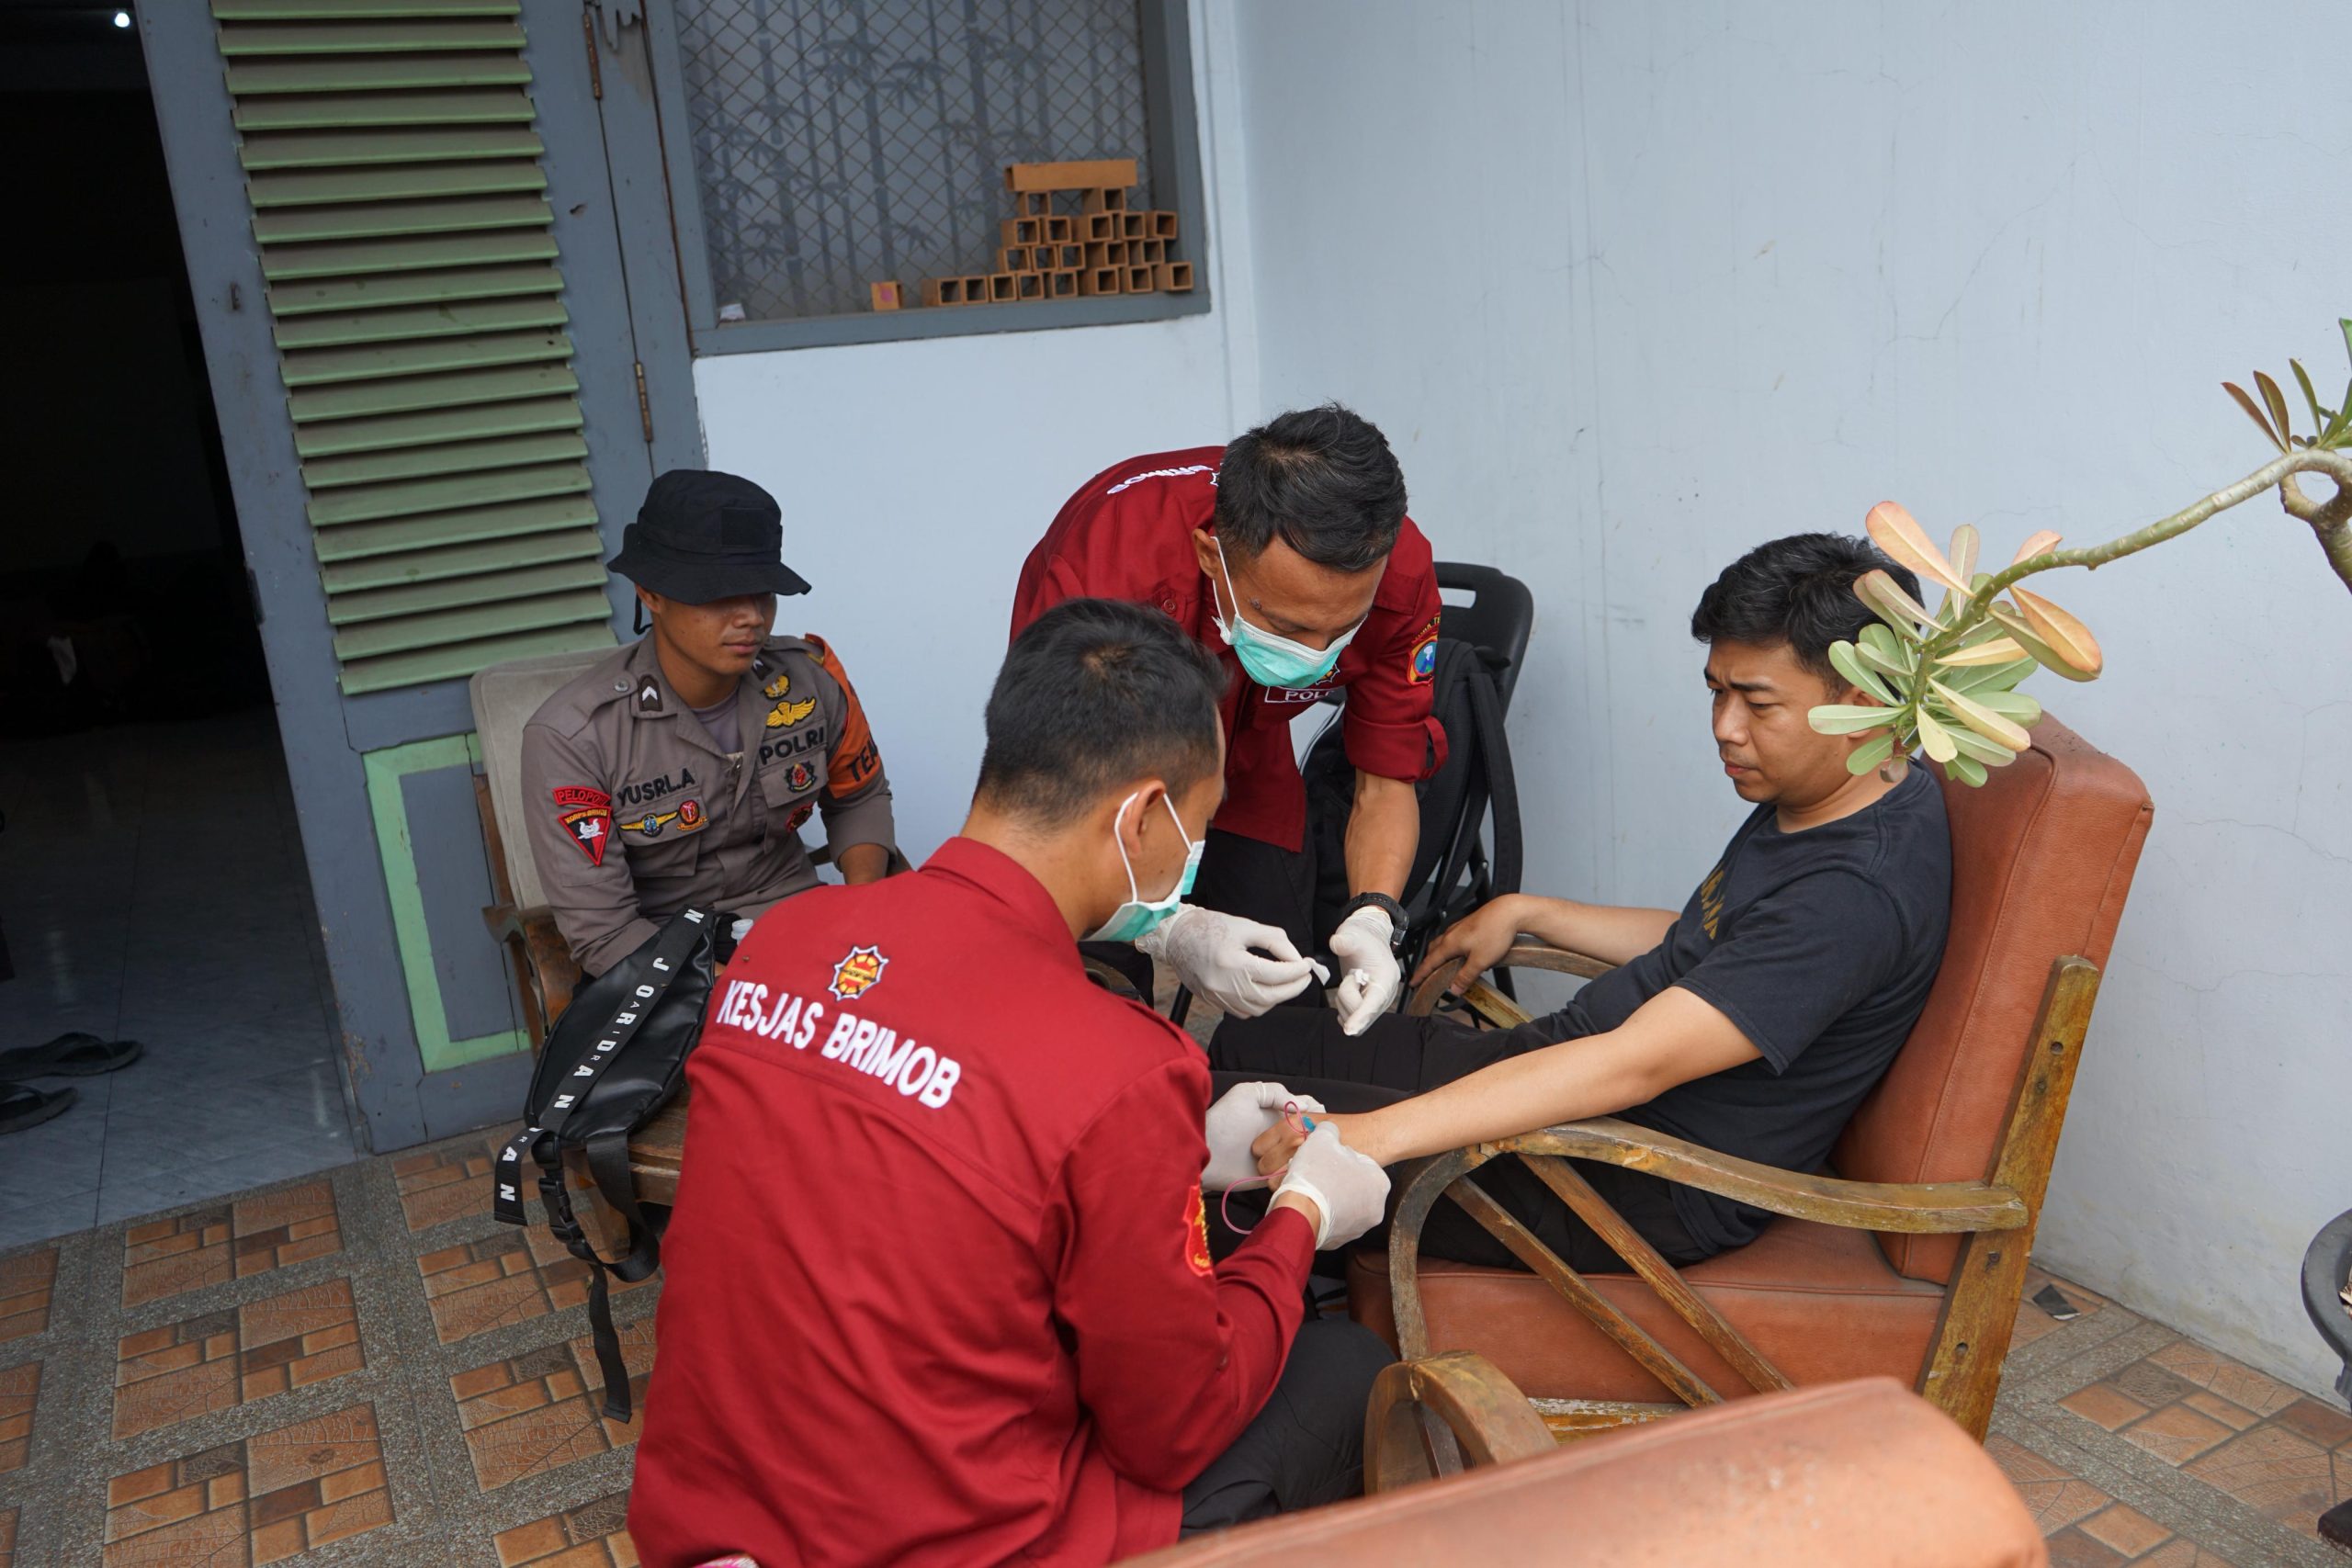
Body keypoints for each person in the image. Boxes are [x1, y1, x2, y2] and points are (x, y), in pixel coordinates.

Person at [628, 598, 1395, 1568]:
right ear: (1142, 818)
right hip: (946, 1545)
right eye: (1200, 822)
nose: (1193, 854)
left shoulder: (783, 942)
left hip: (717, 1522)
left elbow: (894, 1170)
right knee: (1345, 1367)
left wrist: (1175, 1156)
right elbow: (1171, 1429)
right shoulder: (1118, 1061)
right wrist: (1301, 1216)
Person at [1214, 534, 1953, 1275]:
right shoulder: (1836, 792)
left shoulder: (1853, 892)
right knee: (1251, 1050)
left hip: (1623, 1173)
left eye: (1757, 703)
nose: (1725, 727)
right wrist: (1531, 910)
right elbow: (1719, 940)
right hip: (1569, 1084)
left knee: (1227, 1142)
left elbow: (1633, 1066)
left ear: (1861, 701)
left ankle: (1234, 1320)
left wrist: (1365, 1136)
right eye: (1717, 692)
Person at [1011, 405, 1447, 1036]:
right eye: (1289, 626)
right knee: (1093, 996)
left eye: (1345, 627)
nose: (1319, 651)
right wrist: (1169, 929)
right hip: (1101, 776)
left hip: (1252, 758)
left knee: (1287, 984)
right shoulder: (1109, 564)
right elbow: (1058, 803)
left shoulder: (1397, 568)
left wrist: (1374, 917)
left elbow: (1385, 779)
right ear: (1211, 557)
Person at [520, 469, 896, 977]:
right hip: (668, 959)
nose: (751, 617)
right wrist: (744, 990)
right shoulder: (574, 737)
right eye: (719, 594)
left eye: (763, 592)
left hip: (801, 925)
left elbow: (859, 797)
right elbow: (605, 933)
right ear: (651, 594)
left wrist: (864, 916)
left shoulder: (810, 682)